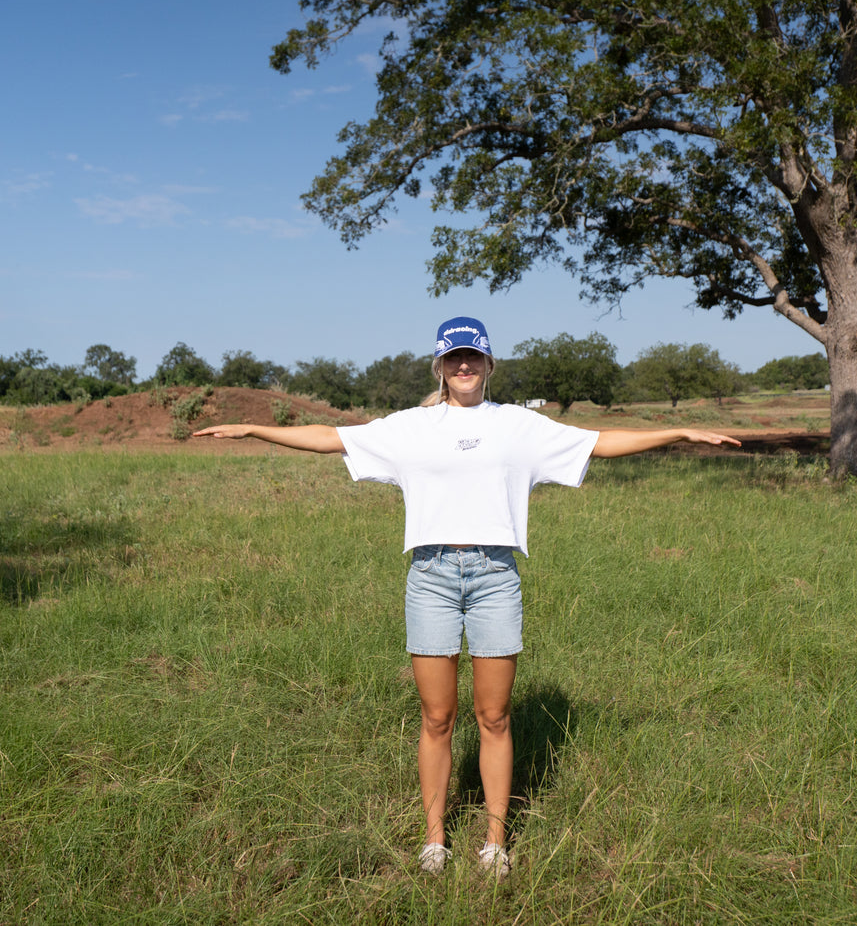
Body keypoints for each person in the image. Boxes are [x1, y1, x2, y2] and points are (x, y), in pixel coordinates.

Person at [193, 317, 740, 879]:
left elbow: (600, 444)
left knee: (495, 715)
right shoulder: (411, 427)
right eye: (453, 358)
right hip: (430, 576)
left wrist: (680, 433)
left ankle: (495, 843)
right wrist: (255, 428)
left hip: (494, 577)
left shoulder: (518, 426)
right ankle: (435, 841)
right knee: (437, 716)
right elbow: (332, 438)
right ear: (439, 365)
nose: (463, 367)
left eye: (473, 358)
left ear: (489, 364)